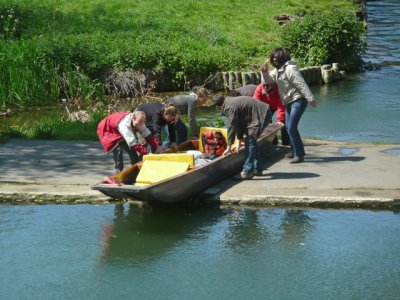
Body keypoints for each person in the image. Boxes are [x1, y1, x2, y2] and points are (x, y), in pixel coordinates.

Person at [261, 47, 317, 163]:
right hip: (288, 101)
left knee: (291, 127)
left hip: (298, 99)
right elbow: (268, 81)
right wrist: (265, 72)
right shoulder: (277, 71)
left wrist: (311, 99)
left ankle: (299, 155)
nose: (274, 60)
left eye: (276, 57)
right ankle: (294, 150)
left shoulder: (290, 68)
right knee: (288, 127)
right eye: (273, 58)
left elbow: (301, 84)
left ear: (282, 57)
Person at [212, 95, 272, 180]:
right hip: (258, 113)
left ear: (218, 106)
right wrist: (239, 140)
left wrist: (229, 146)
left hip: (261, 113)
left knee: (250, 141)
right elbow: (238, 124)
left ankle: (247, 171)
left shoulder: (229, 107)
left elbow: (231, 125)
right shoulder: (228, 102)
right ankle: (257, 169)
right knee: (252, 141)